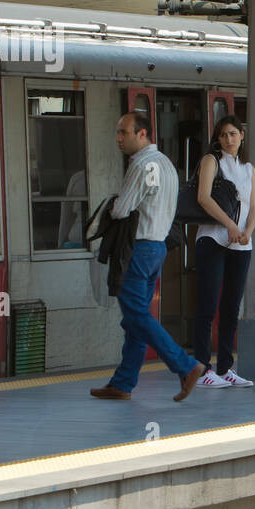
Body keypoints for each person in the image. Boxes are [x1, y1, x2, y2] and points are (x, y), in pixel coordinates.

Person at [91, 113, 206, 401]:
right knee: (135, 318)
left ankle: (186, 365)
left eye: (123, 133)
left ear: (142, 134)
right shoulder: (166, 165)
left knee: (137, 315)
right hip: (157, 248)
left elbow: (121, 210)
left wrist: (112, 204)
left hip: (138, 249)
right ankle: (123, 383)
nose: (118, 138)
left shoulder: (142, 165)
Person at [192, 116, 255, 389]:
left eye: (233, 134)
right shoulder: (211, 161)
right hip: (213, 239)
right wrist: (230, 225)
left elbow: (254, 207)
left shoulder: (249, 168)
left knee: (231, 306)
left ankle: (226, 367)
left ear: (242, 135)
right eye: (223, 135)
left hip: (241, 243)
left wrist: (247, 232)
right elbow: (203, 197)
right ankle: (201, 367)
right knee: (208, 305)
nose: (228, 139)